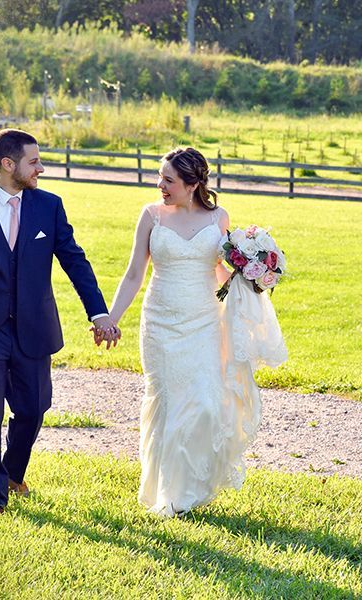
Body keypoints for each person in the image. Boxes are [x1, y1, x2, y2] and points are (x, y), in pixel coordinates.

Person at [0, 129, 117, 516]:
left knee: (33, 408)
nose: (41, 168)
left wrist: (98, 312)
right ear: (7, 164)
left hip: (33, 327)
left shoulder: (48, 206)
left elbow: (74, 261)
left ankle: (13, 471)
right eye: (34, 162)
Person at [104, 147, 280, 517]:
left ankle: (191, 487)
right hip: (161, 321)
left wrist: (249, 274)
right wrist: (112, 318)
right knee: (168, 403)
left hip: (204, 321)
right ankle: (168, 493)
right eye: (160, 177)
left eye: (168, 180)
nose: (160, 185)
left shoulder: (219, 217)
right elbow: (135, 273)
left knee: (203, 403)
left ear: (193, 184)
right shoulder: (151, 216)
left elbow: (219, 269)